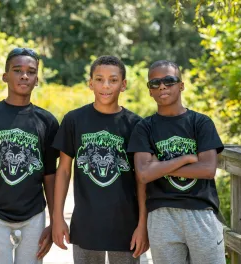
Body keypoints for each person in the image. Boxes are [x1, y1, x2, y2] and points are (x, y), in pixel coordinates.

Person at [52, 55, 149, 264]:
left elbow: (142, 179)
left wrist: (143, 224)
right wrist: (57, 217)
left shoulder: (135, 124)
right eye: (99, 79)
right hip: (85, 225)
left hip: (126, 226)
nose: (106, 86)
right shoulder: (74, 120)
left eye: (113, 80)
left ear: (123, 85)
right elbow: (64, 171)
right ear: (90, 83)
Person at [127, 60, 226, 264]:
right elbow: (144, 175)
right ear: (150, 91)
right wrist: (187, 159)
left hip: (201, 212)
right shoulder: (144, 128)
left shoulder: (200, 123)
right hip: (162, 216)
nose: (162, 86)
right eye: (155, 83)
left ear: (181, 85)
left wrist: (158, 167)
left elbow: (208, 169)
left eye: (169, 81)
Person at [0, 48, 59, 264]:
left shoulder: (47, 122)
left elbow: (50, 175)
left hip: (33, 216)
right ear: (5, 76)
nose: (24, 75)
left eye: (31, 72)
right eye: (17, 70)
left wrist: (54, 222)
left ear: (37, 79)